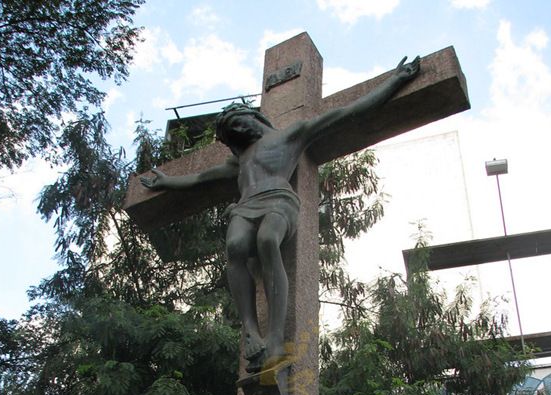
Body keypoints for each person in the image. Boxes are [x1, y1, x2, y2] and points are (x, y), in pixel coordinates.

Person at [141, 56, 421, 374]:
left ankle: (276, 338)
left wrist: (395, 80)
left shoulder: (291, 135)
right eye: (231, 132)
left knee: (267, 240)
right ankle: (251, 330)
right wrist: (166, 182)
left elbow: (348, 114)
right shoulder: (240, 160)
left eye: (236, 123)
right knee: (234, 247)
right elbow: (201, 178)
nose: (237, 131)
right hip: (246, 205)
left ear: (252, 118)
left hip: (278, 199)